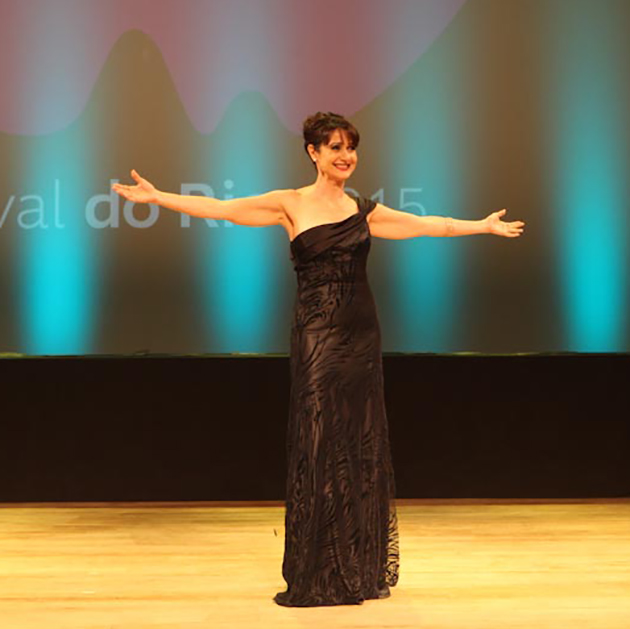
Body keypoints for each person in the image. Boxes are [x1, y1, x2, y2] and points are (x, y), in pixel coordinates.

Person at [112, 111, 525, 607]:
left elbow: (426, 226)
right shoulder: (290, 203)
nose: (346, 156)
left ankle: (357, 566)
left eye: (351, 147)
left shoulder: (363, 210)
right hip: (317, 335)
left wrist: (481, 226)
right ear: (314, 152)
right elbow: (222, 208)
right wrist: (159, 197)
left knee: (358, 443)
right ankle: (318, 568)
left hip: (361, 335)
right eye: (335, 147)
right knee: (319, 441)